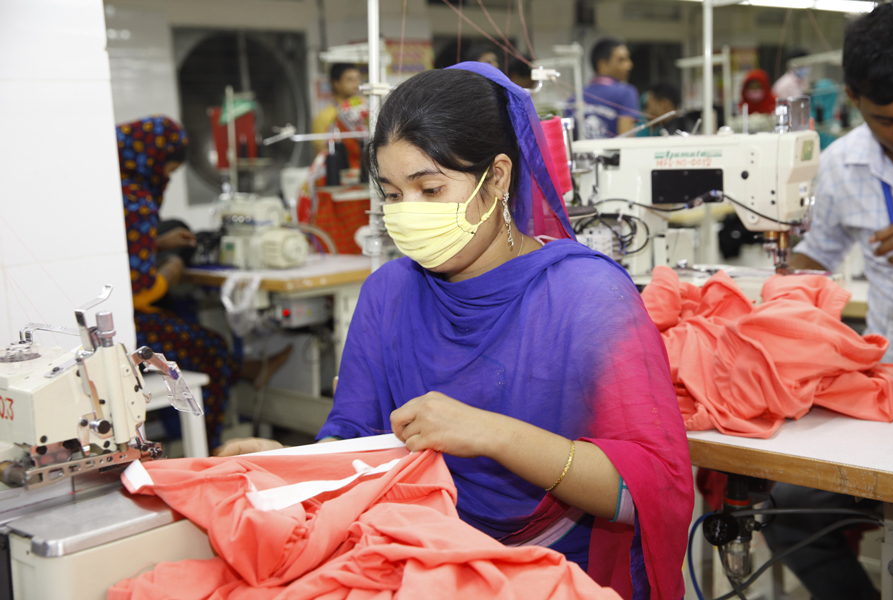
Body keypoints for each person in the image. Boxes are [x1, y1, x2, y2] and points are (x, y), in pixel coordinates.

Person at [218, 63, 693, 600]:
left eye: (430, 189)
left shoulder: (587, 298)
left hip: (554, 572)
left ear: (497, 178)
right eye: (393, 194)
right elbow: (357, 447)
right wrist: (286, 464)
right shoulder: (389, 293)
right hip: (418, 558)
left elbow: (648, 493)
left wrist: (493, 434)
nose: (407, 214)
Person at [765, 5, 893, 600]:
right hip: (888, 391)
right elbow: (812, 256)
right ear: (851, 97)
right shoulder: (845, 165)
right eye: (888, 120)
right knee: (785, 509)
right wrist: (758, 292)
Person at [118, 116, 291, 451]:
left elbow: (115, 247)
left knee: (199, 333)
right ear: (153, 162)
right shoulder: (136, 200)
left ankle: (249, 371)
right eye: (167, 172)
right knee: (211, 347)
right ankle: (209, 447)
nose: (165, 180)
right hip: (126, 328)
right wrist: (174, 267)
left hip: (98, 316)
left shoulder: (111, 185)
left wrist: (155, 243)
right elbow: (141, 293)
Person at [577, 38, 640, 138]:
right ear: (603, 65)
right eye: (621, 60)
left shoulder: (575, 97)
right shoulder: (626, 93)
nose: (629, 65)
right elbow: (627, 141)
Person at [312, 63, 362, 153]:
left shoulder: (364, 109)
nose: (356, 84)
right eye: (350, 80)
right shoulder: (325, 116)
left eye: (358, 78)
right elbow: (320, 152)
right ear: (336, 83)